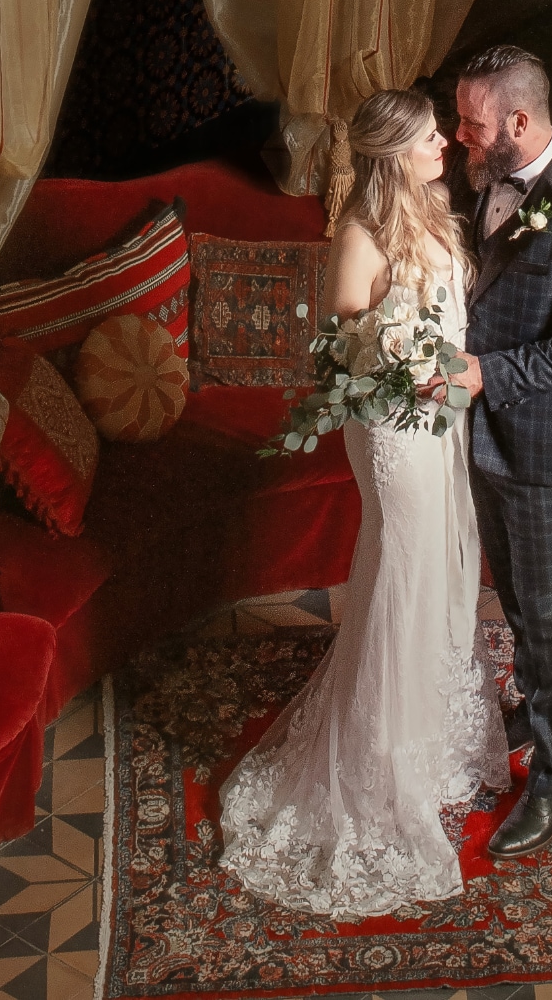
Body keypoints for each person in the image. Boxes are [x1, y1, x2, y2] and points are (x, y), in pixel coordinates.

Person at [216, 89, 511, 917]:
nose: (446, 147)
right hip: (392, 424)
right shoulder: (359, 233)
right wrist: (405, 356)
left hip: (441, 415)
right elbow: (347, 335)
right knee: (402, 569)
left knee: (449, 559)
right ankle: (380, 756)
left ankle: (429, 729)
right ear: (393, 154)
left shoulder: (435, 208)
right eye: (429, 139)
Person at [432, 44, 552, 858]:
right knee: (513, 599)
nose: (459, 138)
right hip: (486, 438)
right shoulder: (485, 180)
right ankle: (533, 703)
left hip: (545, 450)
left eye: (473, 126)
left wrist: (483, 374)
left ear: (519, 121)